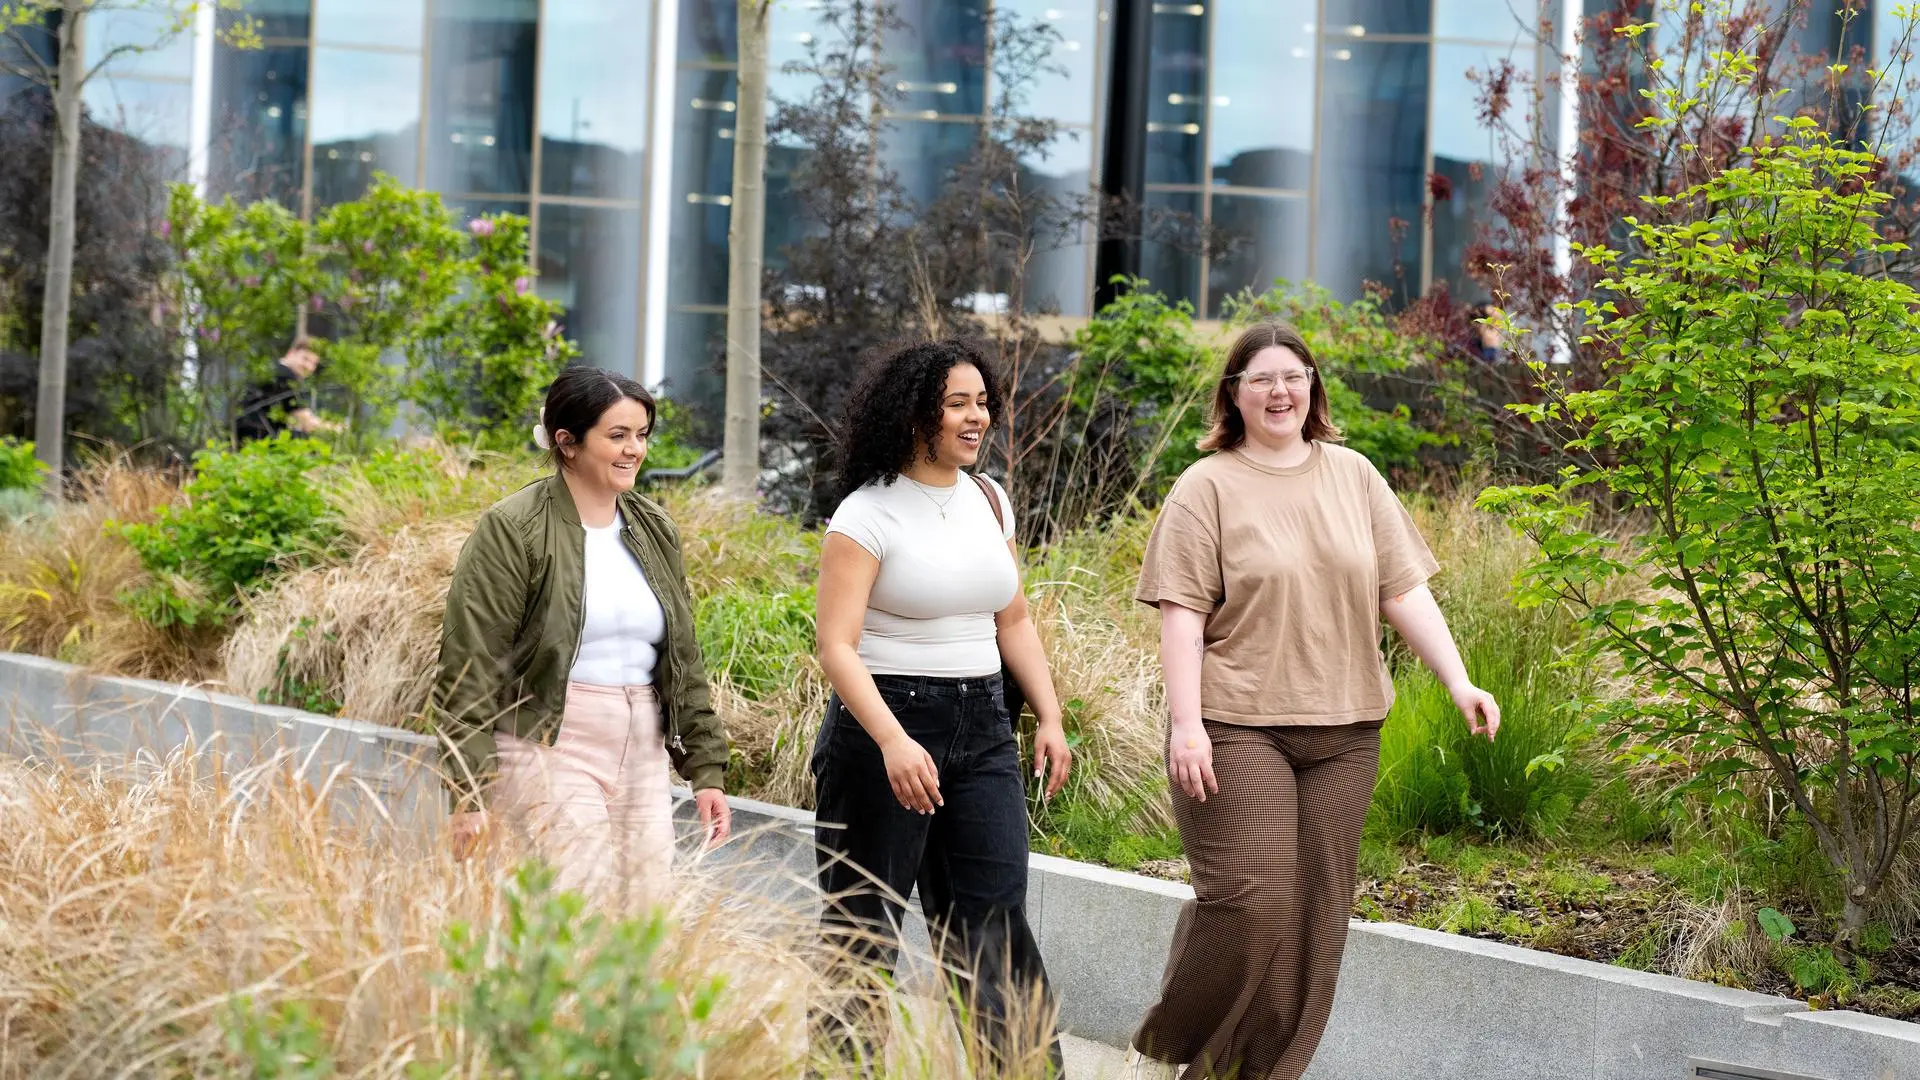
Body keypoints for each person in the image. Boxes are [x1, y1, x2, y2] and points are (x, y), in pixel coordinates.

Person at [1125, 321, 1501, 1080]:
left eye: (1293, 376)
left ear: (1313, 387)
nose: (1279, 391)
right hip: (1236, 724)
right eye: (1261, 378)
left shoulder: (1355, 475)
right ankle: (1171, 1051)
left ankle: (1261, 1073)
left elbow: (1403, 590)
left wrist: (1459, 679)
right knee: (1249, 902)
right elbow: (1182, 616)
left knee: (1314, 922)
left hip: (1347, 728)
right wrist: (1187, 726)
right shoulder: (1207, 486)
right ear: (1234, 393)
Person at [811, 339, 1074, 1071]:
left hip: (984, 726)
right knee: (862, 930)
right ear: (915, 412)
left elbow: (1012, 619)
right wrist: (894, 741)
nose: (976, 417)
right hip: (884, 728)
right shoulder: (865, 515)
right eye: (957, 403)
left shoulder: (990, 500)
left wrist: (1048, 718)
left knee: (994, 919)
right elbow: (837, 646)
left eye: (982, 402)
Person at [430, 366, 731, 907]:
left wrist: (705, 770)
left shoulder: (652, 526)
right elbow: (470, 663)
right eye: (617, 436)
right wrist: (467, 789)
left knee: (647, 912)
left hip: (643, 742)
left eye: (641, 435)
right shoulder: (513, 527)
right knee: (575, 906)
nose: (634, 450)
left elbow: (683, 655)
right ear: (566, 442)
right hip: (549, 740)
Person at [235, 336, 341, 442]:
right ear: (291, 353)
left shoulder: (272, 369)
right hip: (257, 441)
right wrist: (336, 427)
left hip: (243, 436)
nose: (308, 367)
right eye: (305, 359)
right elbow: (307, 422)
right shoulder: (285, 375)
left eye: (314, 363)